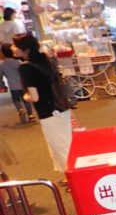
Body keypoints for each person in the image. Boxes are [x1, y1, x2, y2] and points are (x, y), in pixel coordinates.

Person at [13, 33, 72, 183]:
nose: (12, 48)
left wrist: (25, 96)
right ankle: (69, 176)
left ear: (24, 49)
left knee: (60, 147)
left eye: (15, 45)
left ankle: (73, 179)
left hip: (48, 113)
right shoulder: (44, 59)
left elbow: (34, 97)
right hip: (61, 107)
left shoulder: (25, 68)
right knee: (66, 143)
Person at [0, 43, 33, 123]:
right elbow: (24, 72)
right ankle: (31, 115)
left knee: (16, 100)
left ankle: (20, 110)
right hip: (22, 84)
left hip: (12, 85)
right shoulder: (18, 62)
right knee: (26, 100)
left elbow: (1, 75)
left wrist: (2, 84)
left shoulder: (2, 64)